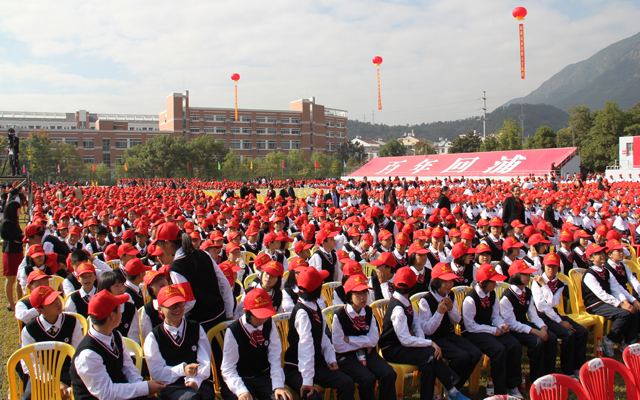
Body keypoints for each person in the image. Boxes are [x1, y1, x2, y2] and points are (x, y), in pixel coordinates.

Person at [379, 267, 469, 400]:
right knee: (431, 354)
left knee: (429, 363)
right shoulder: (398, 308)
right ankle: (452, 389)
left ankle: (434, 395)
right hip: (393, 349)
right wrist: (429, 343)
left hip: (403, 346)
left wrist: (424, 343)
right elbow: (405, 339)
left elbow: (416, 325)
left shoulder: (405, 301)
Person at [70, 289, 166, 399]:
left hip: (122, 393)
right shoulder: (88, 354)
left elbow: (128, 367)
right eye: (119, 308)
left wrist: (141, 387)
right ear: (112, 316)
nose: (122, 311)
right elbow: (106, 393)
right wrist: (144, 388)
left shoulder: (115, 336)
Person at [284, 267, 355, 400]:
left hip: (316, 364)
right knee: (313, 397)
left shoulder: (315, 307)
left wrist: (331, 358)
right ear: (317, 289)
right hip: (297, 368)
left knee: (346, 383)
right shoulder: (302, 313)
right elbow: (306, 347)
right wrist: (307, 381)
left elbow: (323, 337)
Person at [331, 274, 397, 400]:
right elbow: (339, 346)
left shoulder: (368, 311)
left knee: (389, 373)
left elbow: (374, 339)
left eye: (365, 293)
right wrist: (364, 342)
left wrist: (350, 339)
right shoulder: (339, 316)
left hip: (367, 352)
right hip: (347, 356)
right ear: (349, 296)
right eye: (358, 294)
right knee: (367, 379)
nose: (363, 297)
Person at [461, 264, 523, 398]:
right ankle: (499, 390)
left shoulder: (492, 294)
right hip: (473, 333)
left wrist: (502, 325)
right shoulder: (470, 299)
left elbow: (495, 316)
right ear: (483, 283)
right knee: (498, 349)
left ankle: (512, 384)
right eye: (493, 281)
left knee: (514, 344)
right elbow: (470, 326)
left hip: (488, 329)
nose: (495, 284)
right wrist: (493, 330)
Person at [418, 263, 482, 392]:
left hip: (449, 335)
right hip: (435, 339)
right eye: (445, 282)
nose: (449, 285)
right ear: (436, 282)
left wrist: (451, 309)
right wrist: (439, 313)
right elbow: (427, 330)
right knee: (462, 357)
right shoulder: (426, 301)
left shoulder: (450, 295)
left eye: (451, 281)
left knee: (476, 353)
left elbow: (457, 320)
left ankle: (453, 387)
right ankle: (450, 386)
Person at [143, 285, 215, 400]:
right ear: (160, 309)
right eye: (171, 305)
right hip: (172, 386)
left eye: (180, 304)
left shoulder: (196, 328)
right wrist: (183, 370)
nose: (177, 309)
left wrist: (195, 380)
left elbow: (205, 361)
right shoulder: (154, 337)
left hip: (200, 381)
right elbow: (157, 372)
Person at [221, 287, 293, 400]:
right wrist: (241, 390)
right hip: (240, 377)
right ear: (246, 312)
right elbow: (228, 368)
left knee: (282, 397)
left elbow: (274, 356)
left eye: (266, 315)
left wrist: (278, 385)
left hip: (263, 375)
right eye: (259, 316)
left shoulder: (269, 323)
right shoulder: (234, 331)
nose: (263, 319)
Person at [20, 286, 84, 400]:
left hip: (68, 370)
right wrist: (53, 382)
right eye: (50, 302)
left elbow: (77, 353)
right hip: (42, 374)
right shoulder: (29, 330)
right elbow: (30, 364)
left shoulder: (72, 321)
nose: (57, 303)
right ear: (40, 310)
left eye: (56, 298)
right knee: (28, 397)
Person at [499, 260, 557, 383]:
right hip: (513, 329)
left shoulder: (527, 292)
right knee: (537, 341)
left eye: (529, 274)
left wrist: (543, 327)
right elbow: (512, 323)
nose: (529, 276)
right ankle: (537, 377)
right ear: (516, 276)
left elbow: (533, 315)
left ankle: (549, 373)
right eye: (525, 274)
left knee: (551, 337)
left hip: (524, 325)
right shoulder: (507, 297)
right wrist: (536, 332)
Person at [531, 253, 587, 380]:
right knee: (568, 334)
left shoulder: (560, 284)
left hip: (554, 314)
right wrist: (544, 285)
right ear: (544, 266)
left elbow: (552, 303)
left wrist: (559, 319)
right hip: (542, 317)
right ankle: (567, 370)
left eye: (554, 266)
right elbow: (541, 307)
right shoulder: (537, 282)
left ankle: (578, 366)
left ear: (558, 268)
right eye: (548, 266)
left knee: (581, 331)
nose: (551, 269)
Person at [582, 243, 640, 356]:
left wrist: (628, 301)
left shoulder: (606, 271)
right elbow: (602, 295)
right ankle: (610, 339)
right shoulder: (589, 274)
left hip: (606, 302)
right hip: (595, 304)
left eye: (602, 253)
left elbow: (616, 288)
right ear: (591, 258)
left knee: (631, 310)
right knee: (624, 314)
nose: (602, 255)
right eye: (598, 254)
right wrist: (620, 304)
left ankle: (629, 343)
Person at [1, 200, 23, 310]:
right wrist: (21, 238)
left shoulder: (15, 222)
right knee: (10, 279)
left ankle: (20, 300)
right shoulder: (7, 223)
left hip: (18, 251)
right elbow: (18, 237)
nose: (20, 212)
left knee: (19, 277)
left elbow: (20, 237)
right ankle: (11, 304)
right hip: (10, 253)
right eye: (18, 209)